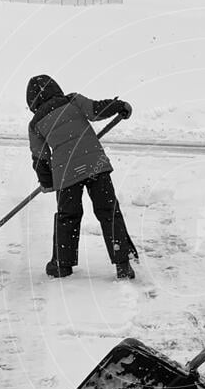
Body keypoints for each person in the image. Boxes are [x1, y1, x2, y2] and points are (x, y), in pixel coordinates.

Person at [26, 74, 138, 279]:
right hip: (95, 165)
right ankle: (123, 262)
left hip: (66, 173)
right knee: (109, 212)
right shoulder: (73, 100)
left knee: (67, 217)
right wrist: (119, 106)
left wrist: (47, 183)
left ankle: (61, 264)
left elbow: (41, 157)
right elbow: (97, 110)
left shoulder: (35, 125)